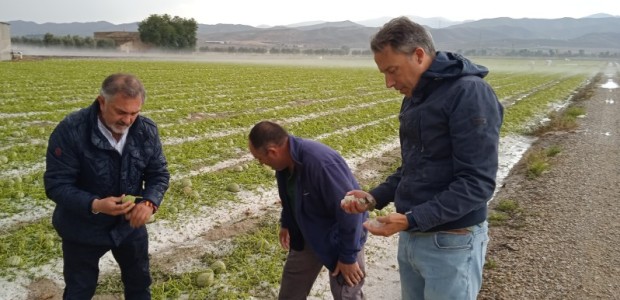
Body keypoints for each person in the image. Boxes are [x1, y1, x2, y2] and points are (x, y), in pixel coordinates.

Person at [341, 16, 504, 300]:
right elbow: (416, 166)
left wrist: (413, 219)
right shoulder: (417, 95)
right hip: (414, 234)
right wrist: (375, 197)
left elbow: (477, 183)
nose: (388, 83)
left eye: (392, 71)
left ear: (418, 55)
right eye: (384, 73)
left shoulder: (468, 93)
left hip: (452, 240)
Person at [44, 73, 170, 299]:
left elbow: (158, 174)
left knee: (139, 284)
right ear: (102, 102)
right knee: (79, 289)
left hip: (128, 226)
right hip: (82, 228)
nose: (128, 120)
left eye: (134, 112)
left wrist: (149, 202)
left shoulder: (145, 131)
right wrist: (95, 204)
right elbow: (57, 184)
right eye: (121, 112)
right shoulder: (72, 130)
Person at [248, 121, 367, 300]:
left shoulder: (320, 163)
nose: (261, 163)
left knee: (346, 293)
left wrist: (348, 257)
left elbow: (351, 211)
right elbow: (289, 196)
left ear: (273, 151)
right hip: (309, 232)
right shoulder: (283, 164)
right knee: (291, 289)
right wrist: (287, 222)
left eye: (259, 159)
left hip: (341, 236)